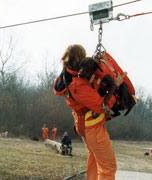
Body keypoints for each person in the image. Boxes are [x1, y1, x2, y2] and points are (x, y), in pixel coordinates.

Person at [54, 44, 123, 180]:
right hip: (93, 127)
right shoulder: (77, 85)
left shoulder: (67, 77)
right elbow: (100, 107)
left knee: (96, 160)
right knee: (108, 167)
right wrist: (115, 87)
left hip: (83, 123)